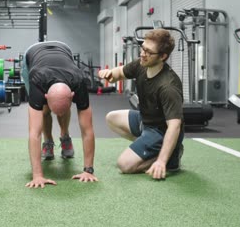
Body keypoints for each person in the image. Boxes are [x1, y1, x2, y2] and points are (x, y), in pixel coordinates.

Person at [98, 29, 184, 180]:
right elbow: (119, 73)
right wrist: (109, 73)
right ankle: (151, 149)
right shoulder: (142, 64)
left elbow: (174, 126)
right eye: (143, 48)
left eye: (149, 52)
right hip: (145, 120)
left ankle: (170, 159)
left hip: (160, 130)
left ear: (163, 56)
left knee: (124, 165)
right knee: (112, 118)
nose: (143, 54)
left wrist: (162, 161)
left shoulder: (168, 86)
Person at [21, 41, 98, 188]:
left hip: (64, 49)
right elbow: (34, 133)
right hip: (32, 54)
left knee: (62, 111)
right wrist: (37, 176)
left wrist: (89, 170)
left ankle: (65, 137)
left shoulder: (79, 81)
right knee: (43, 111)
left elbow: (87, 130)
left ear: (73, 96)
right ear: (45, 96)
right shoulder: (36, 81)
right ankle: (48, 142)